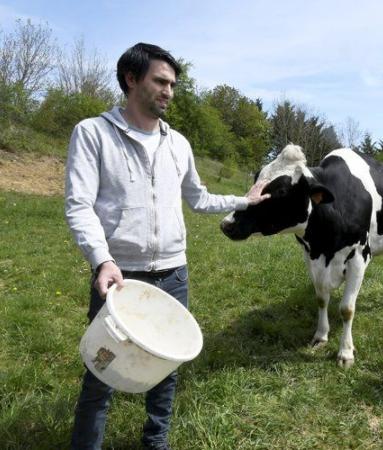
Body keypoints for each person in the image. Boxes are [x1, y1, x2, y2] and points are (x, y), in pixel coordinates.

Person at [65, 42, 269, 450]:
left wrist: (244, 201)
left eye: (173, 84)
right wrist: (102, 260)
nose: (169, 92)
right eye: (160, 81)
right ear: (131, 80)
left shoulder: (178, 144)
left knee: (167, 368)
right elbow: (79, 205)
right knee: (102, 369)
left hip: (174, 273)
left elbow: (198, 198)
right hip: (120, 276)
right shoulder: (93, 134)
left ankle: (155, 443)